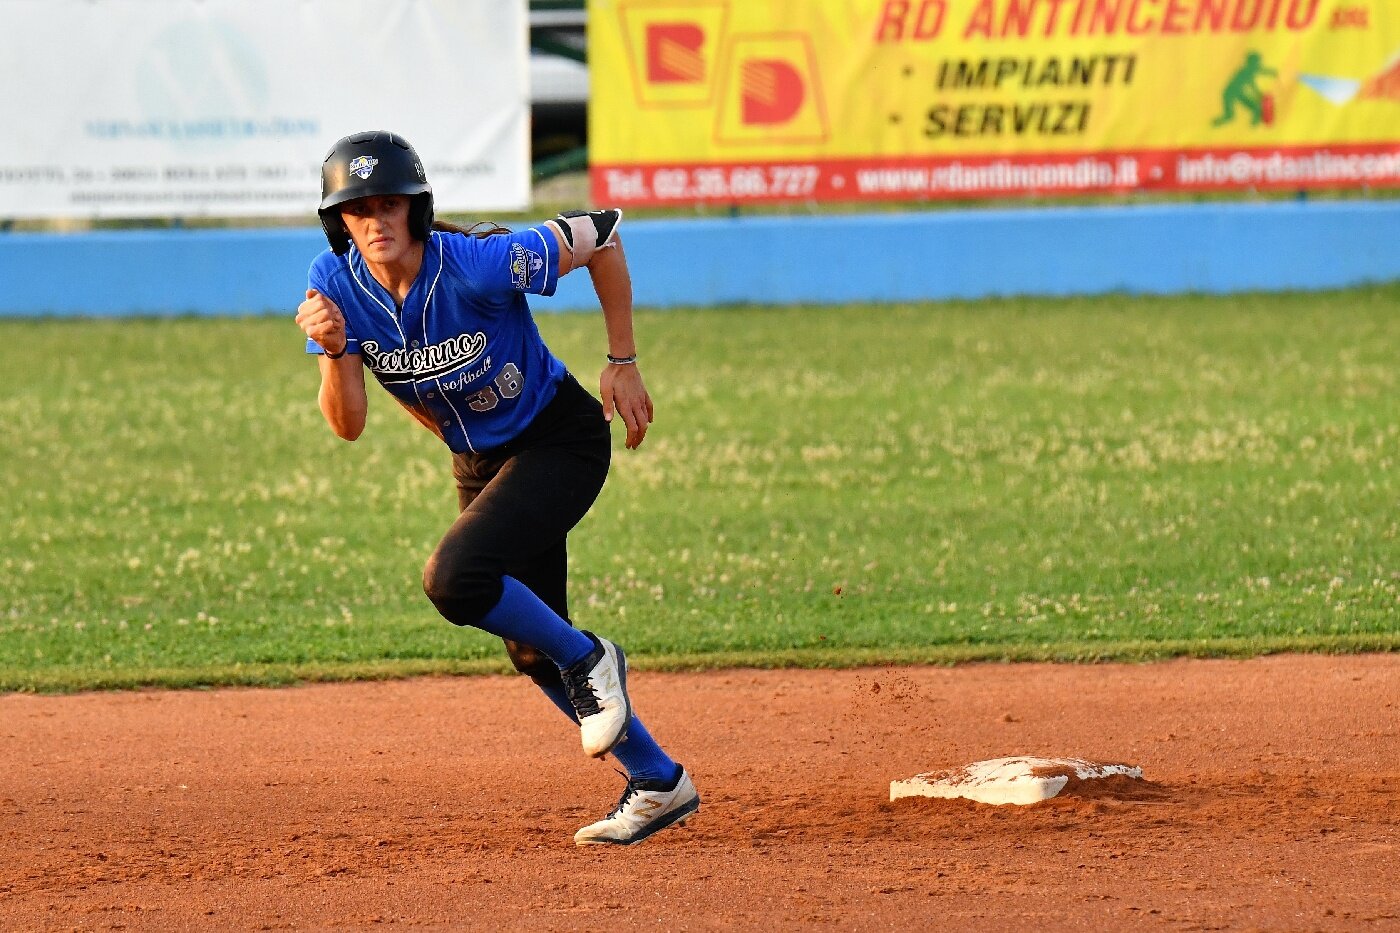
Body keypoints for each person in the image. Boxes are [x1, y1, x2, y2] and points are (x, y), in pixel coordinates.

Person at [294, 130, 698, 846]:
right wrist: (331, 352)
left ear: (417, 209)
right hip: (480, 464)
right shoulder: (335, 289)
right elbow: (348, 424)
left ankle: (591, 658)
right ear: (339, 222)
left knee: (455, 578)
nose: (376, 220)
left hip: (558, 439)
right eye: (358, 209)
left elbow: (602, 234)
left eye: (391, 203)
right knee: (528, 649)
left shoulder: (478, 263)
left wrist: (623, 359)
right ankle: (659, 779)